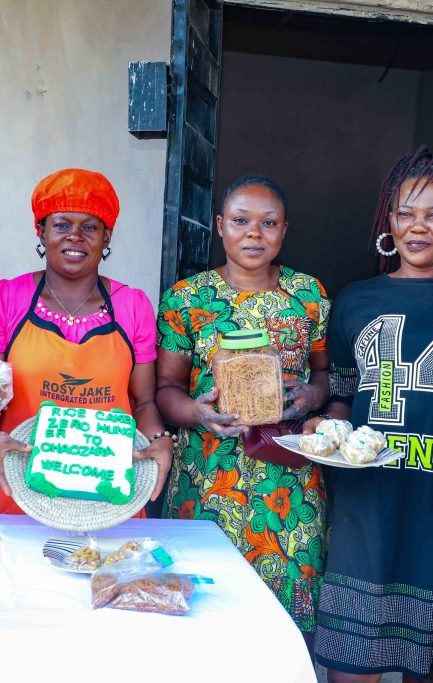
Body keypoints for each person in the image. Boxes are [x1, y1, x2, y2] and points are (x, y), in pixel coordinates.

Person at [308, 147, 433, 683]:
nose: (418, 227)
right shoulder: (355, 300)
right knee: (352, 666)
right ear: (388, 222)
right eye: (405, 213)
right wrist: (323, 426)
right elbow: (344, 395)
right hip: (366, 501)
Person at [156, 175, 330, 642]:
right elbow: (166, 389)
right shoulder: (187, 299)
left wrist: (313, 396)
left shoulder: (308, 295)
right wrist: (199, 413)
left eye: (268, 223)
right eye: (240, 221)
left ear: (284, 231)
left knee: (282, 628)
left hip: (287, 484)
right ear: (219, 226)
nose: (254, 233)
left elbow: (328, 376)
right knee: (203, 619)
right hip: (206, 479)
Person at [0, 168, 172, 512]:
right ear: (41, 231)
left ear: (106, 236)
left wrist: (161, 441)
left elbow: (144, 403)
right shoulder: (6, 299)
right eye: (61, 225)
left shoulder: (132, 306)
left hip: (105, 497)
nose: (75, 236)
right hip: (12, 487)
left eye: (89, 227)